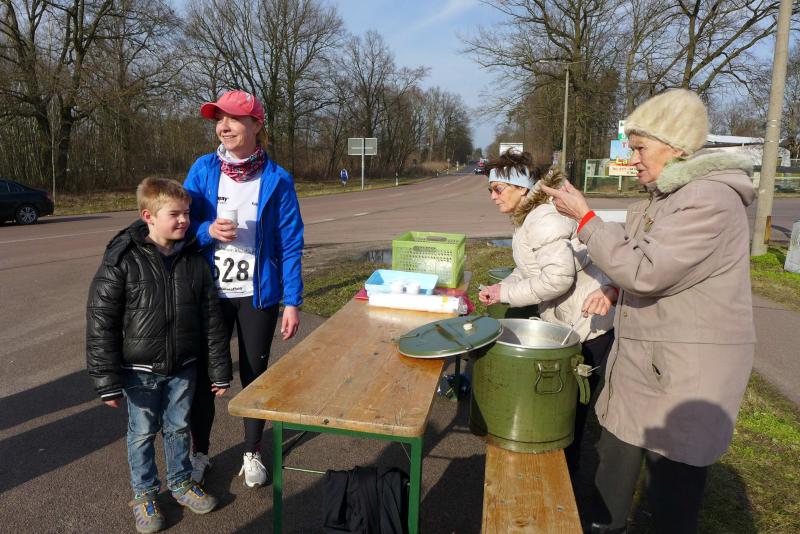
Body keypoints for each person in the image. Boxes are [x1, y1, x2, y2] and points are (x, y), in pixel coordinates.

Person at [541, 89, 756, 534]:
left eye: (640, 148)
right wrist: (615, 288)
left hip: (683, 378)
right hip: (645, 367)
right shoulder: (663, 200)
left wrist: (586, 220)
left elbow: (645, 270)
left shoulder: (709, 200)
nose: (632, 158)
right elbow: (649, 264)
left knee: (669, 497)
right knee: (611, 474)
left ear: (675, 146)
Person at [86, 177, 232, 533]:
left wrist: (219, 370)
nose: (184, 221)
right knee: (141, 432)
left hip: (184, 365)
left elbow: (212, 319)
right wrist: (106, 379)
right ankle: (145, 494)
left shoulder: (193, 259)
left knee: (179, 427)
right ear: (148, 216)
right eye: (175, 214)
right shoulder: (123, 258)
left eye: (187, 214)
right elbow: (101, 320)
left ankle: (181, 482)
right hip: (139, 369)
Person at [183, 89, 304, 488]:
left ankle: (252, 452)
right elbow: (180, 224)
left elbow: (291, 243)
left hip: (257, 294)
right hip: (210, 294)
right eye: (219, 119)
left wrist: (292, 301)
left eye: (234, 118)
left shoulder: (277, 179)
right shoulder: (203, 170)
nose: (224, 126)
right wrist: (207, 230)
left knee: (255, 375)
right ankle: (200, 453)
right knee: (204, 376)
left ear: (256, 124)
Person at [477, 150, 616, 474]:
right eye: (490, 190)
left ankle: (562, 484)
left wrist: (505, 294)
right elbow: (530, 269)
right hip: (569, 321)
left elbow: (557, 279)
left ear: (522, 188)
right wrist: (502, 287)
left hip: (587, 325)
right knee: (559, 409)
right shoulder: (531, 216)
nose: (493, 196)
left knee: (567, 416)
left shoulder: (542, 219)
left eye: (498, 189)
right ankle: (551, 473)